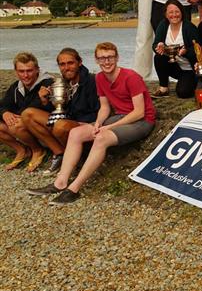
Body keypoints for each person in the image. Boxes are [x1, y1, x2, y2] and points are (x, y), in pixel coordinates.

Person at [27, 42, 156, 206]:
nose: (106, 62)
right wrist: (98, 123)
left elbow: (139, 112)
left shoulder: (131, 77)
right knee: (76, 133)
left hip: (142, 121)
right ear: (96, 60)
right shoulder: (100, 78)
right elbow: (104, 107)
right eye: (102, 58)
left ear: (117, 58)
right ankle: (60, 182)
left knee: (101, 137)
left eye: (110, 57)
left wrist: (108, 127)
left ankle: (74, 188)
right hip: (120, 117)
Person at [21, 48, 100, 175]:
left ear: (79, 62)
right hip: (67, 123)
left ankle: (78, 159)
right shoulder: (62, 82)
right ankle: (59, 153)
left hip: (87, 127)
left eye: (70, 63)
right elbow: (58, 110)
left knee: (60, 125)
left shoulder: (92, 81)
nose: (66, 67)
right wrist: (45, 101)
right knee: (28, 114)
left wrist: (72, 121)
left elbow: (98, 112)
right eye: (62, 64)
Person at [0, 52, 53, 172]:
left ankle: (38, 150)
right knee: (10, 121)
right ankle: (22, 151)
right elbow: (2, 105)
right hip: (25, 127)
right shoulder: (16, 86)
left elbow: (31, 109)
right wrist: (5, 113)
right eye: (21, 71)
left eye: (29, 71)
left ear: (37, 70)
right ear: (16, 71)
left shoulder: (47, 83)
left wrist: (12, 115)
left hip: (45, 129)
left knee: (16, 124)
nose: (25, 75)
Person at [152, 0, 200, 99]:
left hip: (189, 69)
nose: (174, 15)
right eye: (171, 12)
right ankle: (163, 87)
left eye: (177, 11)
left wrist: (186, 51)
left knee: (183, 93)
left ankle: (193, 82)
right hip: (174, 67)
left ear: (182, 12)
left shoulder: (189, 27)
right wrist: (159, 46)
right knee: (158, 57)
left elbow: (198, 51)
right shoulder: (163, 25)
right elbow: (155, 45)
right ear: (166, 14)